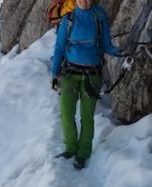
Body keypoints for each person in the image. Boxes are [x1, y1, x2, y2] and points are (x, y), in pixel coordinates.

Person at [51, 0, 121, 170]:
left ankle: (83, 153)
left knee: (86, 116)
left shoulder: (99, 17)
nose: (85, 1)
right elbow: (59, 47)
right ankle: (70, 148)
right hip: (70, 73)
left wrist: (121, 53)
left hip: (92, 75)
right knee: (66, 112)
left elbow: (106, 45)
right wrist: (54, 74)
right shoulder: (68, 19)